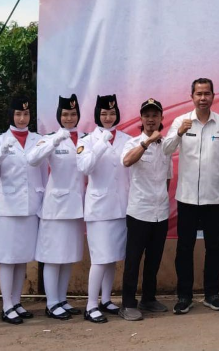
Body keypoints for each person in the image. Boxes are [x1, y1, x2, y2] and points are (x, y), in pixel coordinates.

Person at [164, 78, 219, 314]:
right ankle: (184, 296)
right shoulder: (180, 121)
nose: (203, 98)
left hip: (214, 198)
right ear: (192, 96)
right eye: (198, 94)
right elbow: (166, 150)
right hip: (187, 198)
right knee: (185, 248)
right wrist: (179, 133)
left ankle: (212, 294)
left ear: (213, 96)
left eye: (207, 93)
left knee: (214, 248)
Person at [0, 97, 48, 324]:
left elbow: (43, 174)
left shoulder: (38, 140)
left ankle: (17, 301)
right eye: (18, 114)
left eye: (26, 114)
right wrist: (1, 152)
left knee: (22, 258)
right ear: (11, 115)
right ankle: (6, 305)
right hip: (8, 208)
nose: (22, 118)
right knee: (7, 259)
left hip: (31, 206)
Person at [27, 95, 86, 320]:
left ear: (78, 115)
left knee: (68, 255)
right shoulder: (50, 138)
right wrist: (54, 140)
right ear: (59, 117)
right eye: (65, 114)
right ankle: (51, 303)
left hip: (76, 206)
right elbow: (32, 159)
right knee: (53, 256)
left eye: (73, 114)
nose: (69, 118)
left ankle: (61, 298)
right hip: (55, 207)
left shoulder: (84, 138)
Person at [77, 94, 131, 323]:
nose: (108, 117)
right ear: (97, 116)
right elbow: (85, 167)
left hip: (121, 207)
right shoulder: (87, 140)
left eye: (111, 113)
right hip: (99, 209)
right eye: (103, 113)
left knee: (112, 258)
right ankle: (91, 304)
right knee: (99, 258)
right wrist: (102, 142)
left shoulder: (128, 138)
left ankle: (106, 299)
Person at [120, 98, 174, 321]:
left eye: (154, 115)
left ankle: (148, 299)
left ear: (161, 118)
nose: (151, 119)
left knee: (154, 259)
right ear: (141, 119)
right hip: (139, 212)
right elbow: (126, 161)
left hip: (160, 212)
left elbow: (168, 178)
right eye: (147, 115)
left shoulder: (167, 147)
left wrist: (161, 198)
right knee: (133, 260)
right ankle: (128, 303)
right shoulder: (133, 143)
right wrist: (147, 143)